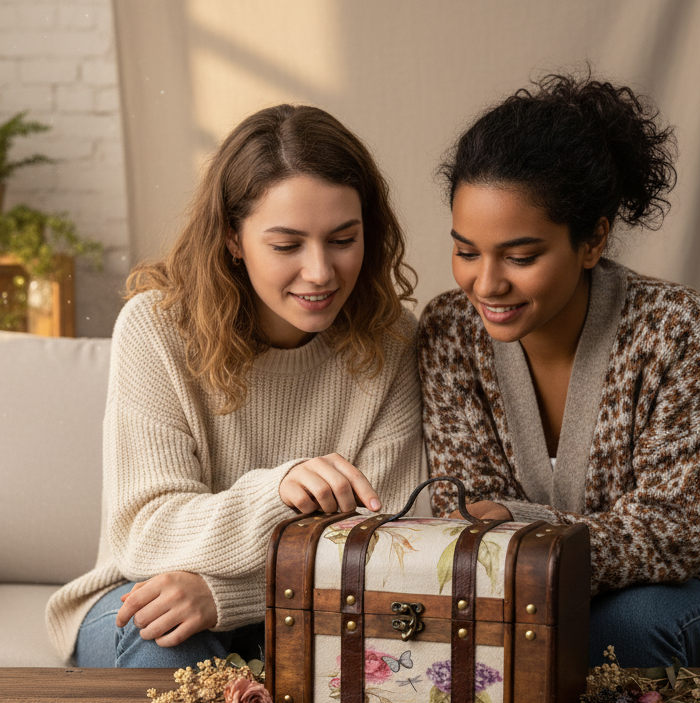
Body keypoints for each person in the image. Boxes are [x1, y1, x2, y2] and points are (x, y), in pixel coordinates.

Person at [419, 73, 700, 667]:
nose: (485, 284)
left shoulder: (673, 326)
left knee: (620, 629)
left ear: (592, 241)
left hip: (694, 587)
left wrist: (521, 524)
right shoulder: (449, 332)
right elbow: (464, 512)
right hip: (530, 600)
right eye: (466, 251)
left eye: (521, 256)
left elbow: (675, 532)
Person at [47, 104, 422, 668]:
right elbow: (146, 532)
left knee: (380, 653)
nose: (320, 271)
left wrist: (232, 598)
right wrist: (278, 494)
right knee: (166, 640)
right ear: (232, 237)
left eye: (343, 239)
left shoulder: (392, 340)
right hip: (148, 590)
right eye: (287, 245)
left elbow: (390, 544)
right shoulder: (156, 328)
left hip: (319, 608)